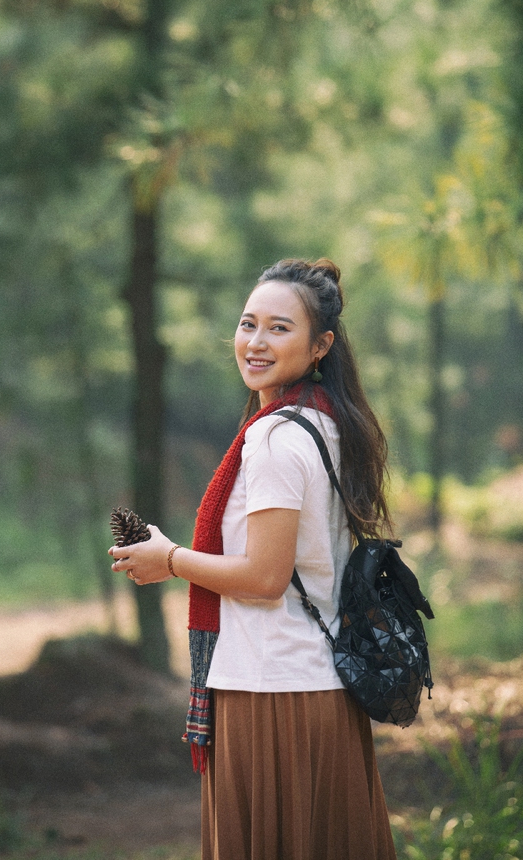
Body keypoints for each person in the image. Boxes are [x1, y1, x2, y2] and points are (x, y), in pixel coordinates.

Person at [110, 258, 397, 860]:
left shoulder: (275, 439)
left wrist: (172, 559)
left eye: (278, 328)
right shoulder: (328, 425)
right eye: (248, 324)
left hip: (271, 693)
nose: (255, 342)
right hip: (321, 689)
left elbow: (265, 578)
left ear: (321, 346)